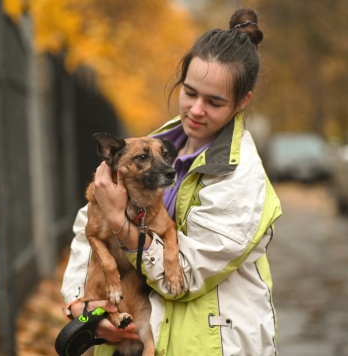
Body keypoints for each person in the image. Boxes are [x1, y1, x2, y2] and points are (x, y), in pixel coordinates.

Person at [61, 7, 282, 356]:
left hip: (207, 345)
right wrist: (81, 303)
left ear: (242, 102)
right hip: (131, 336)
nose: (195, 109)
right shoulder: (154, 146)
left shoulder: (241, 181)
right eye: (190, 92)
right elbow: (87, 226)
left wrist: (120, 222)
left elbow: (182, 279)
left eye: (214, 102)